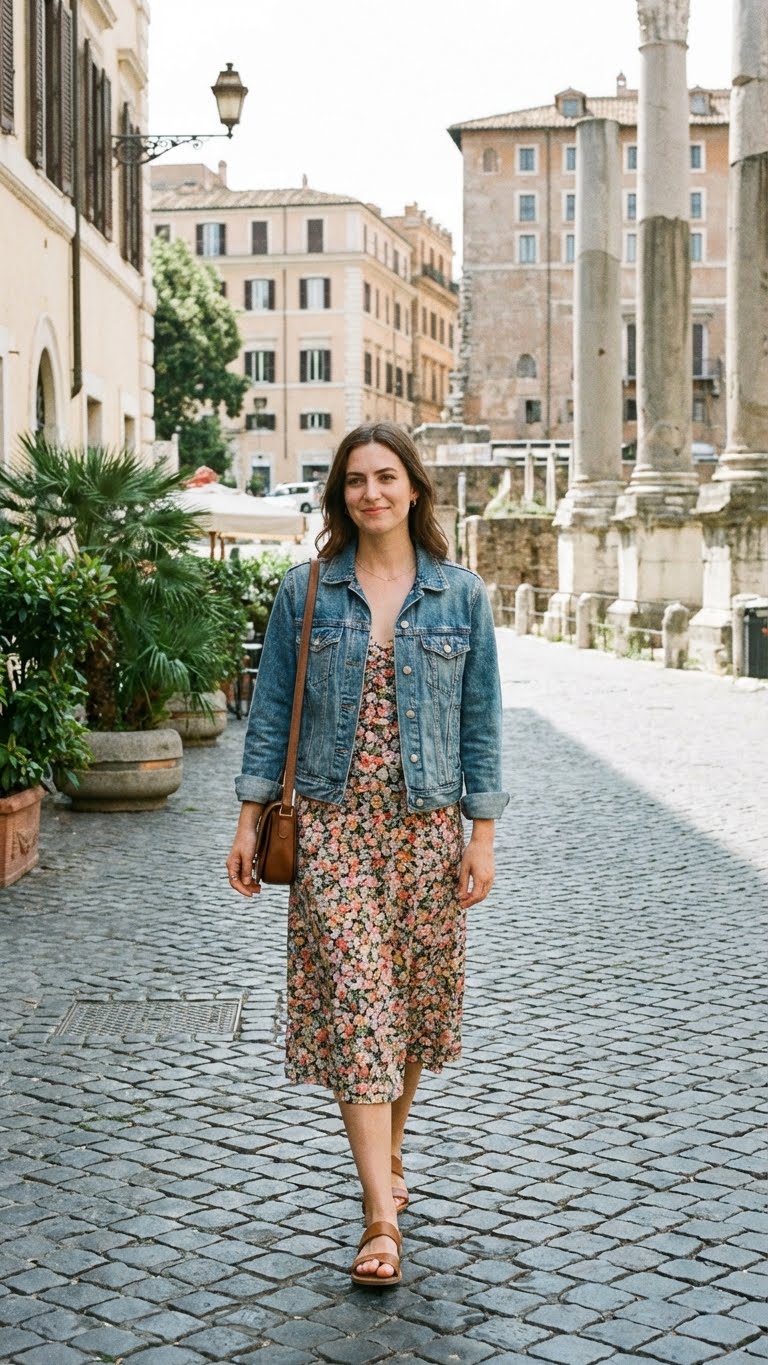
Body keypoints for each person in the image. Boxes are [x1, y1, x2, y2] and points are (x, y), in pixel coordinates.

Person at [226, 422, 508, 1288]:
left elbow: (481, 722)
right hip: (332, 826)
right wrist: (247, 820)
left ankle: (389, 1148)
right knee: (358, 1003)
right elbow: (271, 710)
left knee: (413, 1007)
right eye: (355, 480)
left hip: (426, 829)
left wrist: (482, 834)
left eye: (386, 477)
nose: (371, 492)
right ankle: (380, 1214)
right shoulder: (306, 589)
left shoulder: (460, 595)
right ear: (339, 494)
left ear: (414, 488)